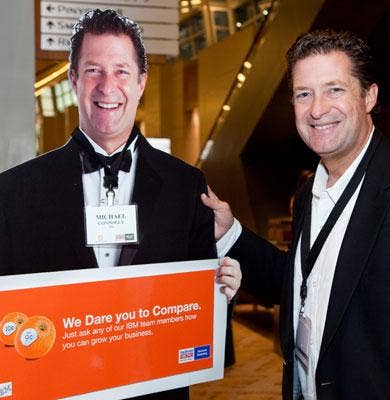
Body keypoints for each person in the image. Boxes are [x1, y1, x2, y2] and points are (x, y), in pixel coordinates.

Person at [0, 9, 241, 400]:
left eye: (121, 71)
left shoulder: (187, 187)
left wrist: (222, 294)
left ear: (142, 82)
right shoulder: (14, 192)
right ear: (73, 79)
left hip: (156, 390)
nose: (107, 86)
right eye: (93, 70)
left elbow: (203, 327)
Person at [203, 29, 390, 399]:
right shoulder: (308, 193)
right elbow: (301, 281)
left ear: (369, 96)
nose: (317, 109)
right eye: (303, 94)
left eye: (334, 90)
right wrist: (230, 232)